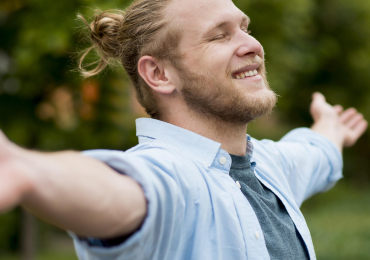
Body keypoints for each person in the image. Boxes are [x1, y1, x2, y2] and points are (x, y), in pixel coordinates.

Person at [0, 0, 367, 259]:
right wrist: (29, 171)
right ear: (159, 74)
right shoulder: (171, 177)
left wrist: (330, 128)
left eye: (245, 28)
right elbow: (121, 192)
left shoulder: (271, 166)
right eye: (219, 35)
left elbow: (316, 152)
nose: (253, 45)